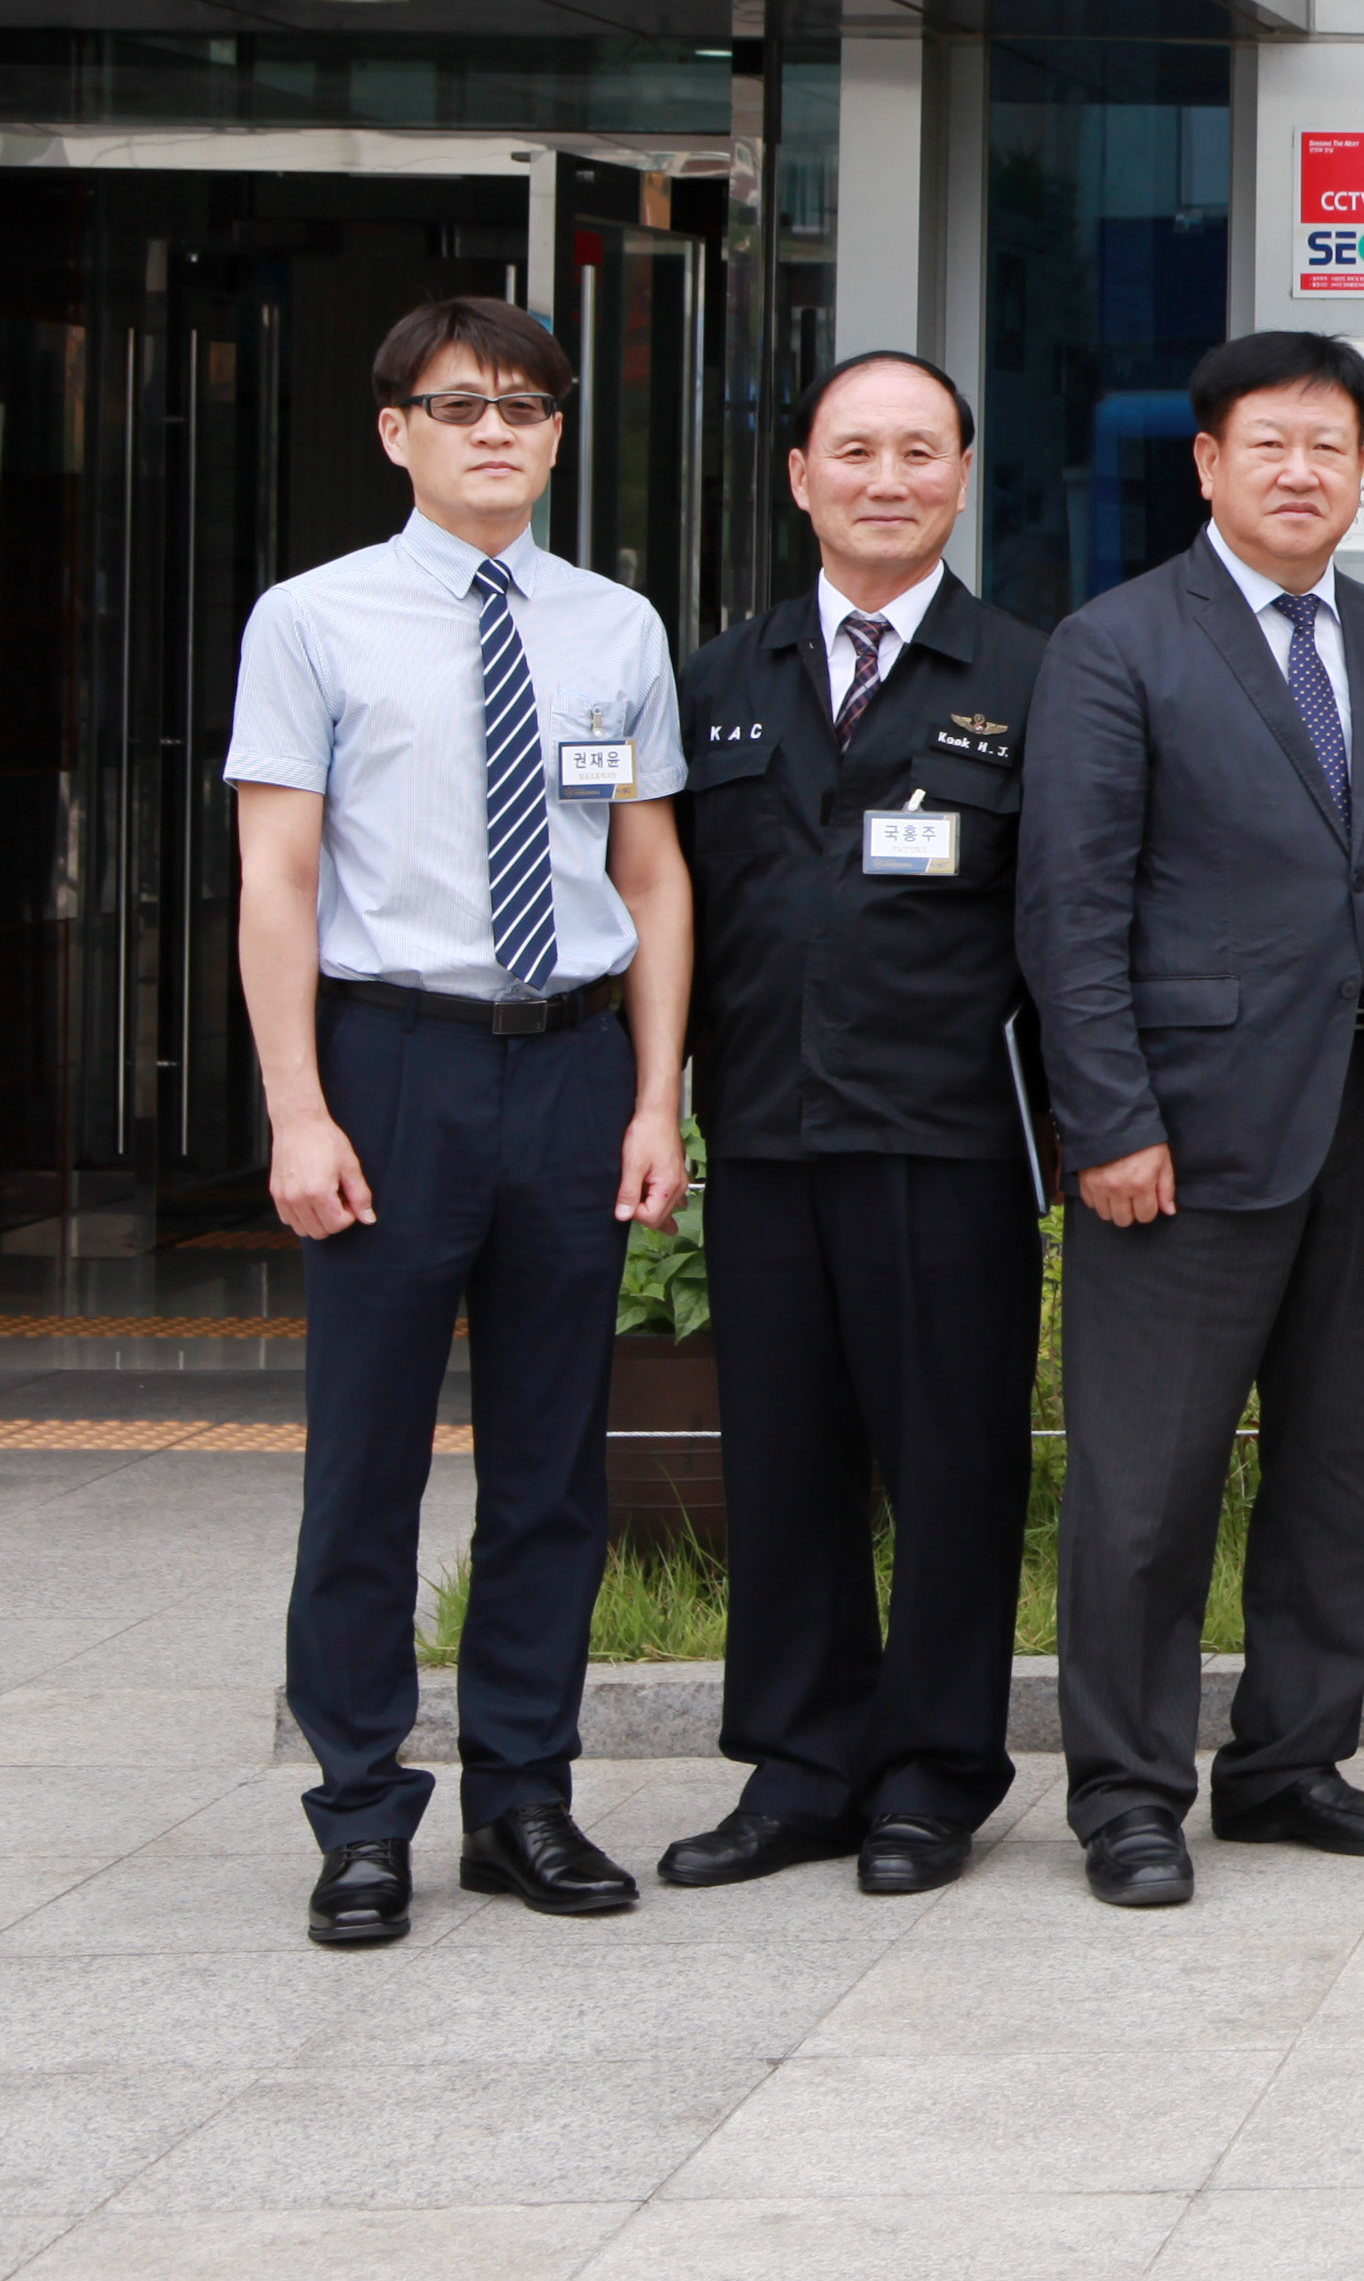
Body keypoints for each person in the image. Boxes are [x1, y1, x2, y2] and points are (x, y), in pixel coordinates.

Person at [226, 296, 693, 1949]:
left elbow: (649, 871)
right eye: (460, 403)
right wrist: (298, 1108)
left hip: (569, 1064)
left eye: (526, 404)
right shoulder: (312, 618)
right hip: (391, 1064)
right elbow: (276, 875)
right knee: (360, 1466)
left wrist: (656, 1096)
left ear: (561, 432)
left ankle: (522, 1799)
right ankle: (360, 1814)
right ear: (394, 430)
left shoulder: (613, 624)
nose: (497, 430)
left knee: (556, 1466)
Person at [1017, 330, 1364, 1910]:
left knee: (1348, 1472)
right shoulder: (1118, 642)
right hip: (1177, 1141)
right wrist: (1108, 1117)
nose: (1299, 470)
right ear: (1206, 461)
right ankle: (1129, 1789)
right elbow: (1070, 905)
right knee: (1146, 1484)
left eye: (1330, 444)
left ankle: (1291, 1759)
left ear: (1363, 469)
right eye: (1268, 441)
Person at [655, 351, 1049, 1902]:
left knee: (952, 1462)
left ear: (960, 472)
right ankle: (803, 1765)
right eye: (853, 449)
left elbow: (1066, 924)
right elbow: (667, 905)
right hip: (762, 1134)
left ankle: (933, 1772)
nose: (885, 478)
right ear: (801, 474)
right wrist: (655, 1110)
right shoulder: (714, 681)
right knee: (783, 1460)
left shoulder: (1031, 674)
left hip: (949, 1141)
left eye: (917, 451)